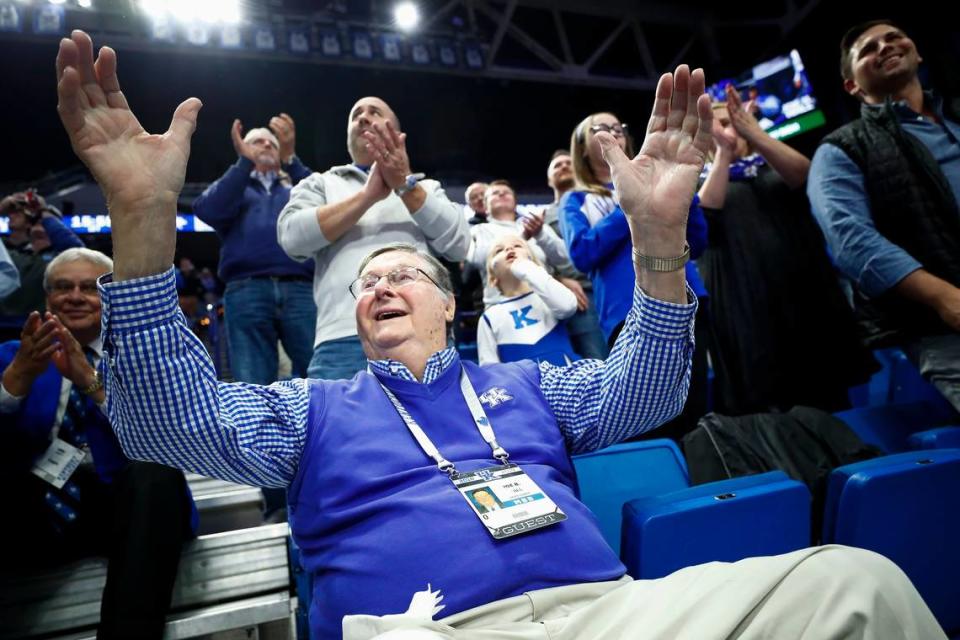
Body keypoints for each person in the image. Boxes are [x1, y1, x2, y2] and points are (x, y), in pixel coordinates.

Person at [55, 31, 945, 640]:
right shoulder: (313, 409)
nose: (379, 285)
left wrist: (661, 241)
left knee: (858, 584)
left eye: (402, 274)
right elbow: (165, 422)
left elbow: (648, 390)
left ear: (452, 306)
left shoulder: (526, 388)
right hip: (426, 629)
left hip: (603, 611)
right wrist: (142, 218)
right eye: (366, 284)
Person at [0, 247, 193, 639]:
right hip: (33, 511)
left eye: (89, 288)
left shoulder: (147, 359)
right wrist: (17, 379)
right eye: (63, 287)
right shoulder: (13, 355)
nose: (74, 296)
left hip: (123, 511)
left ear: (112, 299)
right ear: (47, 298)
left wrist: (90, 379)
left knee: (155, 474)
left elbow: (165, 437)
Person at [808, 20, 960, 411]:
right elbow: (852, 241)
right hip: (943, 326)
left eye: (893, 38)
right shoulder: (839, 150)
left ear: (918, 52)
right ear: (852, 86)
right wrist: (945, 297)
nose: (885, 47)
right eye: (868, 49)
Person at [696, 83, 876, 414]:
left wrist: (756, 134)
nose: (727, 130)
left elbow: (806, 175)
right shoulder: (700, 179)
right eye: (718, 125)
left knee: (828, 389)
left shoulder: (770, 163)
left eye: (732, 121)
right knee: (768, 398)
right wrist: (723, 153)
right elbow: (705, 218)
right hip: (743, 302)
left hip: (802, 289)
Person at [277, 96, 470, 380]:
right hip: (342, 337)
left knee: (437, 424)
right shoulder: (321, 183)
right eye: (356, 114)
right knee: (339, 425)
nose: (363, 118)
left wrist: (405, 186)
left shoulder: (426, 188)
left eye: (374, 112)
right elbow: (292, 238)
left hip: (423, 330)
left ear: (395, 130)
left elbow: (459, 245)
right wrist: (368, 197)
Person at [562, 112, 711, 440]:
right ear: (583, 147)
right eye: (601, 128)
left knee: (698, 408)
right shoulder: (576, 199)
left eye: (619, 126)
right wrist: (631, 205)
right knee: (651, 419)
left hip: (687, 300)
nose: (613, 131)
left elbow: (698, 242)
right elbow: (582, 252)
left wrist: (686, 198)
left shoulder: (658, 177)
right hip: (624, 312)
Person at [192, 115, 317, 385]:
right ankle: (261, 429)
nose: (265, 145)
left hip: (302, 287)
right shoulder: (236, 187)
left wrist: (291, 158)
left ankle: (327, 427)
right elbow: (207, 209)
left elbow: (328, 198)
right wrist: (243, 165)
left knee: (320, 372)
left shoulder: (297, 187)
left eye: (271, 143)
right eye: (256, 142)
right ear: (243, 150)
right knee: (253, 381)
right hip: (247, 288)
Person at [466, 180, 577, 307]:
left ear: (515, 202)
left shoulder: (538, 227)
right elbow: (479, 259)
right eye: (495, 193)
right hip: (502, 307)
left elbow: (565, 258)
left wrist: (541, 235)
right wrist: (523, 237)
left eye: (506, 193)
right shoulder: (479, 230)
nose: (501, 194)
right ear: (485, 207)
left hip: (544, 303)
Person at [543, 150, 608, 360]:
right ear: (549, 179)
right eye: (557, 165)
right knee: (597, 360)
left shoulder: (599, 201)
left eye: (568, 163)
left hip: (612, 289)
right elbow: (538, 256)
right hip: (580, 298)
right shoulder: (541, 218)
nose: (563, 166)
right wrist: (557, 279)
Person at [477, 235, 578, 366]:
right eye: (499, 250)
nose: (509, 248)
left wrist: (526, 268)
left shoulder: (547, 297)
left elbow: (568, 306)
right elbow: (489, 368)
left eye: (518, 246)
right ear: (492, 279)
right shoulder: (489, 317)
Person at [1, 191, 84, 323]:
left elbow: (78, 252)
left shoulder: (61, 260)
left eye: (44, 222)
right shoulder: (12, 256)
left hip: (47, 330)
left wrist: (43, 210)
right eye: (36, 222)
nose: (40, 226)